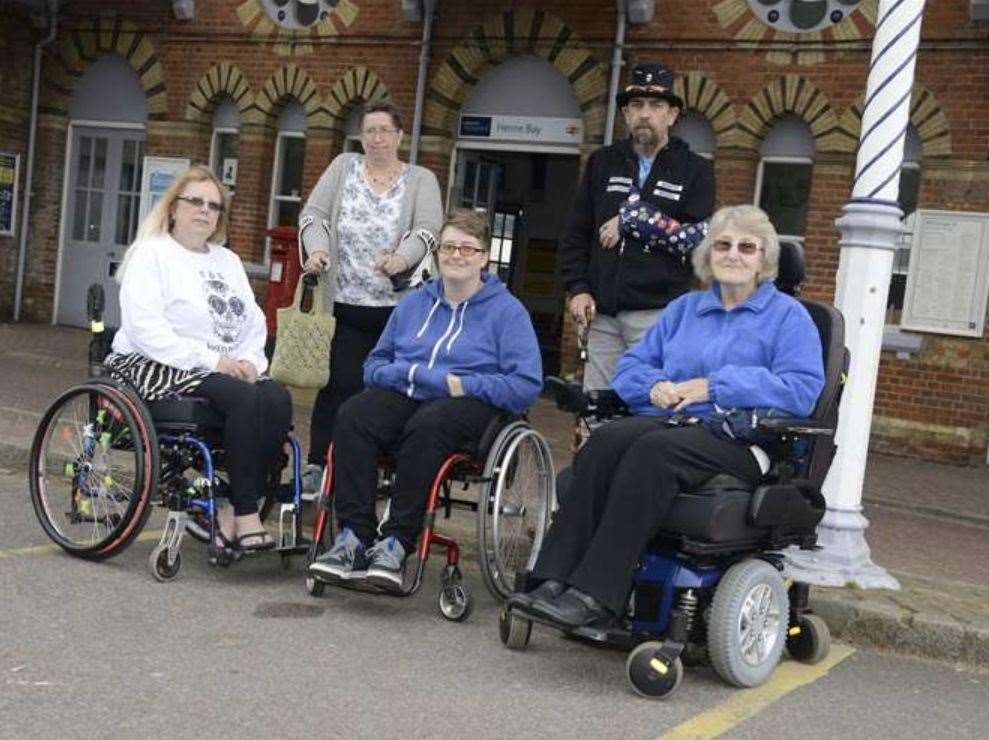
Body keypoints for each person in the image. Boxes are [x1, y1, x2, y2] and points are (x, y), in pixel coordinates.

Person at [511, 205, 825, 628]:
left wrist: (715, 386)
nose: (733, 255)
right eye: (723, 245)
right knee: (606, 441)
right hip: (673, 423)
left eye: (747, 247)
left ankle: (596, 595)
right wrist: (653, 386)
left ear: (764, 258)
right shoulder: (685, 310)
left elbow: (802, 390)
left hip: (742, 439)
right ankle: (550, 581)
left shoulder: (789, 318)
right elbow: (631, 370)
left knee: (653, 452)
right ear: (707, 255)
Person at [308, 209, 542, 592]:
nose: (456, 255)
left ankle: (397, 543)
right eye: (449, 246)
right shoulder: (415, 303)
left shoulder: (507, 312)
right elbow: (374, 366)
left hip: (469, 405)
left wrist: (460, 384)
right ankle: (353, 537)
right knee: (354, 414)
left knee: (430, 424)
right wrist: (407, 375)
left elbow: (524, 386)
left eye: (468, 248)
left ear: (484, 257)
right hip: (408, 393)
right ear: (437, 254)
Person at [107, 165, 292, 552]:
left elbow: (253, 322)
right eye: (196, 201)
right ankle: (246, 514)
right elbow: (146, 329)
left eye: (214, 205)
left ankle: (231, 513)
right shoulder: (151, 253)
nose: (205, 211)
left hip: (220, 368)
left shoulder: (227, 261)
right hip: (155, 363)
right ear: (174, 208)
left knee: (276, 397)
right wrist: (214, 362)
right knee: (244, 398)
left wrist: (250, 362)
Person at [297, 101, 443, 495]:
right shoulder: (343, 167)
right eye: (369, 131)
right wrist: (315, 250)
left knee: (387, 391)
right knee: (339, 384)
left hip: (397, 312)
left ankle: (379, 466)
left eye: (384, 130)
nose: (376, 138)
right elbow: (313, 216)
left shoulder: (420, 179)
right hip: (344, 303)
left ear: (399, 136)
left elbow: (429, 230)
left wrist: (401, 259)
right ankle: (317, 466)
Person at [558, 62, 715, 391]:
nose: (645, 114)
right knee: (595, 408)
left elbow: (695, 240)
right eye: (636, 105)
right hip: (602, 314)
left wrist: (633, 218)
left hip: (658, 315)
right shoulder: (602, 162)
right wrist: (578, 287)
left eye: (656, 106)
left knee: (646, 404)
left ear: (672, 115)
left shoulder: (695, 170)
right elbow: (577, 232)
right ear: (626, 115)